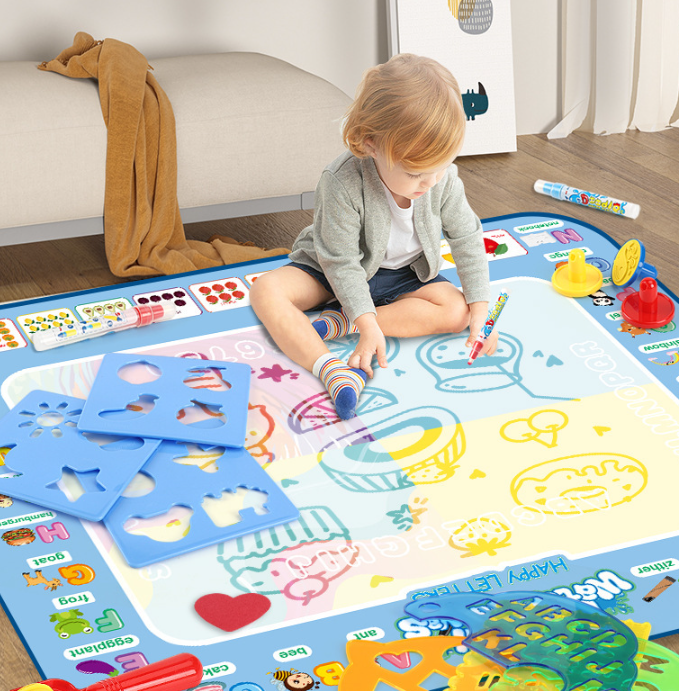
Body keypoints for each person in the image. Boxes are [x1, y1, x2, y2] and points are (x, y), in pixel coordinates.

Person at [250, 53, 497, 420]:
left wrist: (480, 311)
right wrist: (368, 323)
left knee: (457, 311)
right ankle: (330, 369)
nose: (430, 183)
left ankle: (343, 321)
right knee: (266, 291)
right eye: (415, 174)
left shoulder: (440, 179)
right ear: (370, 144)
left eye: (440, 168)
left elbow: (467, 238)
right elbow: (340, 263)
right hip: (332, 270)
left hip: (403, 276)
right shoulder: (341, 182)